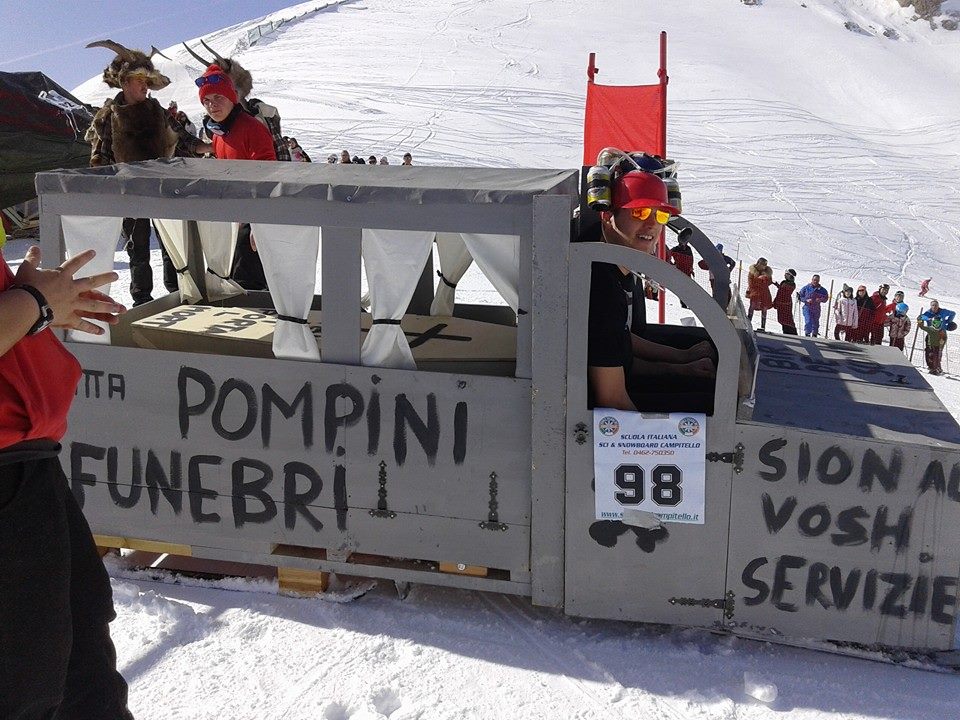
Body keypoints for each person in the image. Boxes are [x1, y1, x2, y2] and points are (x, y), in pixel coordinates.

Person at [0, 233, 132, 719]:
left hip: (27, 462)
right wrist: (33, 303)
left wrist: (28, 302)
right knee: (25, 680)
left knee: (82, 652)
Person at [86, 41, 211, 306]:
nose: (144, 84)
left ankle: (176, 294)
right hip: (129, 192)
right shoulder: (109, 115)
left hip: (161, 188)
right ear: (124, 82)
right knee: (138, 248)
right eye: (138, 78)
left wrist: (210, 147)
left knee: (170, 244)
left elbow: (184, 139)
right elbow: (101, 158)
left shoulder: (157, 111)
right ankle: (141, 300)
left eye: (146, 79)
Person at [586, 170, 716, 413]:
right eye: (640, 212)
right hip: (599, 421)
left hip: (622, 386)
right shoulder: (600, 286)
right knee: (712, 407)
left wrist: (682, 362)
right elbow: (613, 400)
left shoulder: (616, 269)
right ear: (607, 215)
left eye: (661, 215)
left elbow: (618, 343)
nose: (652, 224)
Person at [198, 64, 276, 290]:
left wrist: (257, 224)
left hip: (252, 218)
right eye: (206, 101)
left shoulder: (251, 128)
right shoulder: (220, 134)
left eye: (218, 98)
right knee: (236, 280)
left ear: (232, 98)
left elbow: (267, 177)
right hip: (235, 218)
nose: (212, 105)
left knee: (250, 284)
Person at [746, 258, 773, 330]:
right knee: (752, 307)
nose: (764, 266)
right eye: (763, 265)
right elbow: (751, 283)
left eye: (765, 265)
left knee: (764, 308)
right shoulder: (752, 272)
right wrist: (761, 280)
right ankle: (748, 324)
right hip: (755, 293)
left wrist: (764, 278)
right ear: (759, 264)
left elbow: (769, 282)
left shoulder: (767, 272)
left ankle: (763, 327)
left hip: (765, 293)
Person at [772, 268, 797, 335]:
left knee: (786, 319)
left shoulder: (789, 284)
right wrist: (777, 285)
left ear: (789, 275)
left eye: (786, 274)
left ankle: (791, 333)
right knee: (784, 319)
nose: (784, 275)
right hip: (784, 303)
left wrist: (776, 302)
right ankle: (787, 332)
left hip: (784, 303)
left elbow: (783, 292)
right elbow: (782, 290)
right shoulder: (787, 282)